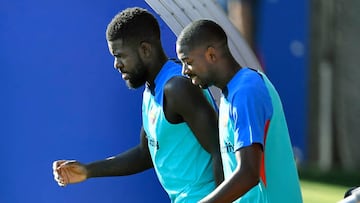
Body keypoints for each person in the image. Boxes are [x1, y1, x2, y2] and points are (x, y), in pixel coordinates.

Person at [52, 7, 224, 203]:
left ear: (145, 50)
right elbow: (145, 153)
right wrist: (87, 170)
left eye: (120, 55)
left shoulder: (177, 87)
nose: (116, 64)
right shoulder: (151, 90)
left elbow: (220, 150)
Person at [176, 19, 302, 203]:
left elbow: (249, 173)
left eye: (188, 62)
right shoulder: (232, 93)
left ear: (211, 54)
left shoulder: (246, 91)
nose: (184, 71)